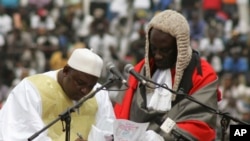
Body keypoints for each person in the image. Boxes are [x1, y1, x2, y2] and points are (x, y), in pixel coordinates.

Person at [114, 10, 221, 141]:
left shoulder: (202, 75)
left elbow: (201, 126)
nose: (157, 55)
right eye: (154, 49)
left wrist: (161, 137)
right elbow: (121, 112)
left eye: (165, 50)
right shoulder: (139, 70)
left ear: (180, 47)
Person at [0, 48, 115, 141]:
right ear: (66, 71)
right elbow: (19, 135)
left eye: (91, 85)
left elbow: (108, 131)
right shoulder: (31, 89)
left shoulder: (98, 92)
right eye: (80, 83)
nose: (85, 91)